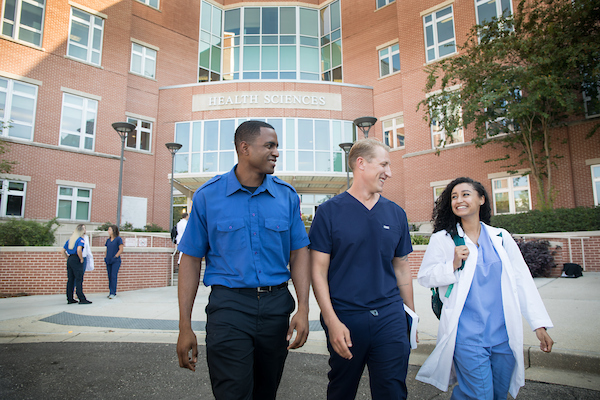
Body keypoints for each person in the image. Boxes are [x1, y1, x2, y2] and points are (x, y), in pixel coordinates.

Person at [176, 120, 311, 400]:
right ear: (244, 148)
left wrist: (303, 309)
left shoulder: (286, 197)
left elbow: (299, 253)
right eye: (270, 146)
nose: (276, 152)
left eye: (277, 146)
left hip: (276, 309)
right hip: (230, 309)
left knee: (266, 392)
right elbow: (190, 260)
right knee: (233, 394)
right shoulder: (207, 196)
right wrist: (184, 326)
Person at [416, 177, 554, 399]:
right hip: (467, 335)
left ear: (481, 199)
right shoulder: (443, 239)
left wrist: (539, 325)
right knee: (479, 395)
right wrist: (451, 265)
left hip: (503, 335)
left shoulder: (500, 237)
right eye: (454, 197)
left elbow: (522, 281)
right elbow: (424, 277)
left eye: (465, 194)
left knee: (499, 393)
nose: (459, 200)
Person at [309, 139, 415, 400]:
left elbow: (401, 268)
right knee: (342, 391)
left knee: (393, 392)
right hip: (346, 317)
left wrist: (409, 319)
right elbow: (318, 272)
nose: (389, 173)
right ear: (361, 164)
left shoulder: (396, 213)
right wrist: (332, 322)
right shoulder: (328, 212)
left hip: (390, 316)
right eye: (384, 164)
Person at [60, 225, 92, 304]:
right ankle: (81, 298)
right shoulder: (80, 240)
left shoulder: (71, 240)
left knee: (70, 280)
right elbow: (79, 250)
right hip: (77, 259)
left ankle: (70, 298)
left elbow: (62, 251)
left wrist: (68, 258)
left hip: (70, 259)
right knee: (79, 279)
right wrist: (81, 258)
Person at [104, 225, 124, 299]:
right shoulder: (108, 240)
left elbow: (121, 249)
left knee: (113, 276)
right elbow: (107, 249)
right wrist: (105, 257)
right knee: (109, 276)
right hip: (108, 260)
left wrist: (115, 256)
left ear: (114, 231)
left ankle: (113, 293)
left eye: (109, 230)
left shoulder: (118, 239)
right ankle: (110, 292)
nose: (108, 231)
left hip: (115, 261)